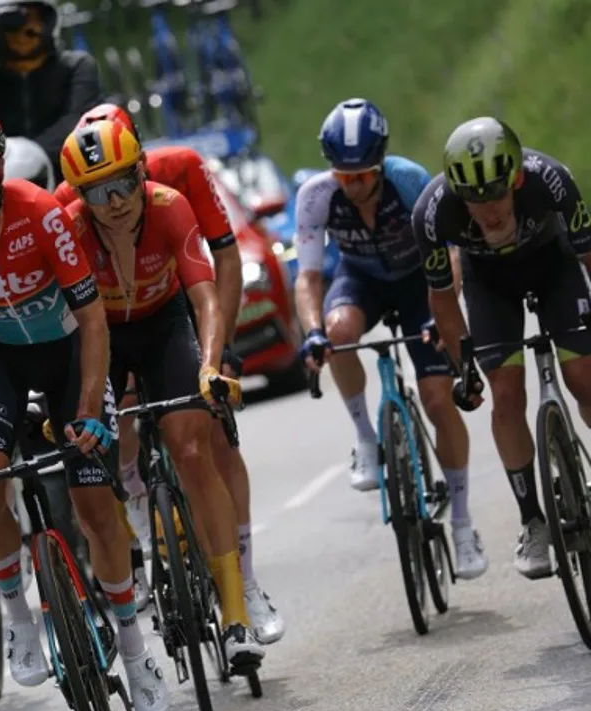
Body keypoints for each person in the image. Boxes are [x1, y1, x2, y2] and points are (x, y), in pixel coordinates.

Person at [0, 101, 171, 711]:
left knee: (93, 507)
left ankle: (134, 650)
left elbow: (91, 317)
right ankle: (18, 616)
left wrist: (89, 410)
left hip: (66, 352)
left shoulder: (41, 213)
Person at [54, 102, 285, 644]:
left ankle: (240, 596)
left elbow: (212, 282)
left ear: (140, 161)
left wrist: (216, 360)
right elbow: (66, 319)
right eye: (95, 191)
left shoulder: (174, 186)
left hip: (167, 317)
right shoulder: (67, 216)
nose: (112, 202)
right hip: (103, 332)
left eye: (122, 184)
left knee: (196, 446)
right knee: (110, 425)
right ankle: (134, 498)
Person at [293, 99, 487, 580]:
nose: (353, 185)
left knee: (439, 400)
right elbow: (309, 279)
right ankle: (366, 439)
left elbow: (453, 256)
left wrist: (442, 314)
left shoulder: (409, 181)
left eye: (362, 175)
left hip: (423, 282)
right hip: (362, 282)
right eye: (343, 175)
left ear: (380, 166)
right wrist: (313, 332)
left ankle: (462, 524)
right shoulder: (316, 196)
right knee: (337, 333)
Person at [412, 116, 591, 579]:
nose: (488, 208)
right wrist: (462, 368)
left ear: (516, 179)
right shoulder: (432, 212)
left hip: (554, 266)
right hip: (489, 285)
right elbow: (442, 297)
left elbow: (589, 254)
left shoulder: (551, 179)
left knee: (584, 377)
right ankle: (533, 519)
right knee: (505, 395)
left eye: (495, 192)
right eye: (474, 198)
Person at [0, 0, 103, 179]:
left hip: (71, 178)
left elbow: (78, 122)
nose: (20, 34)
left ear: (47, 20)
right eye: (10, 24)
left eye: (29, 19)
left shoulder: (76, 66)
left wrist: (23, 159)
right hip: (9, 183)